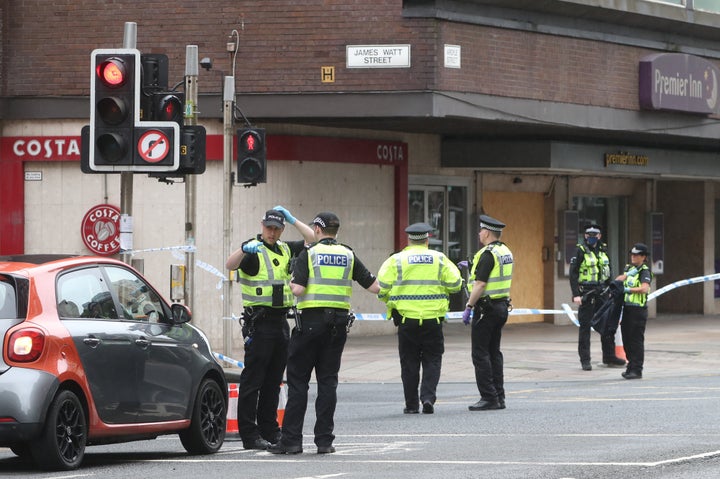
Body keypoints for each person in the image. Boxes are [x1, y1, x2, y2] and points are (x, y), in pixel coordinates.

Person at [269, 212, 380, 455]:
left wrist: (289, 281)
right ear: (336, 232)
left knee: (298, 383)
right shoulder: (348, 254)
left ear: (318, 230)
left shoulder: (309, 254)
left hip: (309, 325)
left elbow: (297, 289)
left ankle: (291, 441)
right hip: (337, 327)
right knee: (328, 383)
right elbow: (373, 287)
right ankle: (324, 441)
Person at [225, 206, 314, 450]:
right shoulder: (253, 250)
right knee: (253, 381)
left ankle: (270, 430)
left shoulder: (285, 249)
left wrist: (294, 219)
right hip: (260, 323)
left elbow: (312, 238)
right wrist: (243, 249)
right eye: (268, 228)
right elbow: (230, 264)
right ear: (261, 226)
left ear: (282, 229)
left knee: (274, 381)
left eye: (276, 228)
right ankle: (249, 435)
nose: (271, 233)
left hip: (280, 323)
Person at [377, 222, 463, 415]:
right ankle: (428, 397)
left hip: (407, 320)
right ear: (427, 239)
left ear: (409, 239)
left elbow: (381, 288)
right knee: (433, 360)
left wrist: (389, 301)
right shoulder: (440, 259)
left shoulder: (396, 260)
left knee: (409, 362)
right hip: (433, 320)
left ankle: (411, 405)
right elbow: (456, 284)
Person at [463, 214, 513, 411]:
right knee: (494, 352)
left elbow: (481, 283)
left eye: (481, 230)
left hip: (486, 309)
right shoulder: (504, 251)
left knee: (480, 353)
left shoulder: (487, 254)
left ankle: (488, 397)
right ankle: (499, 396)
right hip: (501, 306)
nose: (479, 233)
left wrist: (469, 306)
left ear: (487, 233)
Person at [569, 224, 625, 371]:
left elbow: (608, 271)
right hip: (587, 293)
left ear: (600, 236)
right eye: (589, 235)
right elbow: (573, 274)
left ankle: (609, 356)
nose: (592, 237)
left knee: (607, 325)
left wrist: (611, 289)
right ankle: (585, 360)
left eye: (595, 235)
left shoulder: (603, 250)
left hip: (602, 292)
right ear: (585, 236)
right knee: (585, 327)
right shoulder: (580, 251)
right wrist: (576, 295)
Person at [616, 243, 652, 380]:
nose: (633, 256)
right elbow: (617, 281)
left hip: (638, 310)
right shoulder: (629, 269)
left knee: (636, 340)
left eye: (636, 255)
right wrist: (625, 276)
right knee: (626, 339)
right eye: (632, 254)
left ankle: (637, 370)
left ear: (643, 257)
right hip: (627, 309)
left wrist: (627, 290)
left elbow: (644, 288)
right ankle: (630, 365)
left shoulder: (644, 271)